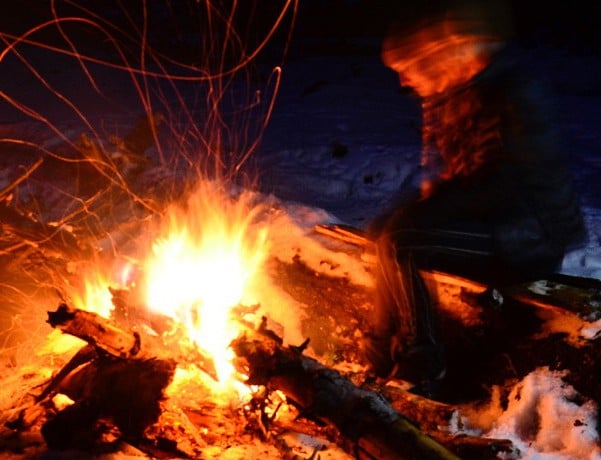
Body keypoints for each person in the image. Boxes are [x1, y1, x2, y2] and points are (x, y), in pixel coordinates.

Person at [363, 0, 586, 392]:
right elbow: (467, 179)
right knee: (387, 232)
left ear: (446, 54)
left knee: (403, 241)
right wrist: (421, 207)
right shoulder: (462, 93)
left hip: (529, 235)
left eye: (408, 70)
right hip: (500, 222)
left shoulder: (511, 93)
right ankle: (380, 352)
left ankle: (424, 363)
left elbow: (506, 185)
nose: (404, 83)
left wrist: (427, 211)